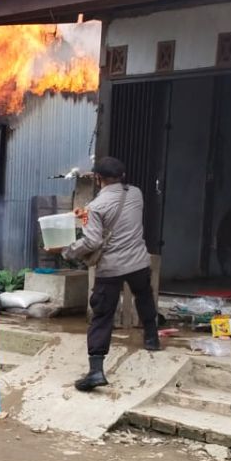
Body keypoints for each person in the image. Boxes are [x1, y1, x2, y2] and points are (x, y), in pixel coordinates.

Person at [56, 156, 159, 392]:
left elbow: (92, 240)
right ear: (122, 176)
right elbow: (119, 219)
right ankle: (152, 339)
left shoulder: (96, 207)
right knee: (143, 296)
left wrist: (67, 251)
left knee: (102, 315)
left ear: (98, 178)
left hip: (110, 268)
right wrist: (86, 216)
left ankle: (95, 371)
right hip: (138, 262)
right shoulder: (136, 194)